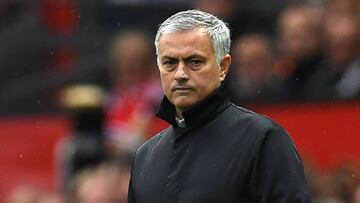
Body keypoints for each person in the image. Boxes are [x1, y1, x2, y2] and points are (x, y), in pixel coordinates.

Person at [128, 9, 310, 203]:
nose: (180, 74)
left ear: (223, 67)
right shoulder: (144, 157)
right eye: (170, 63)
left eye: (194, 61)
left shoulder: (262, 139)